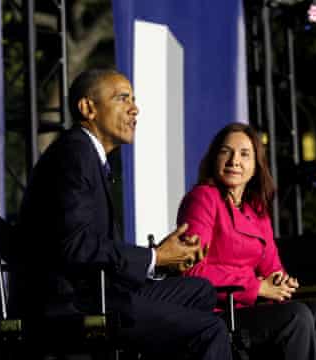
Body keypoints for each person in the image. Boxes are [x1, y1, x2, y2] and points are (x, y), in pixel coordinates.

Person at [13, 68, 232, 360]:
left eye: (134, 99)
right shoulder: (74, 155)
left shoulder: (87, 155)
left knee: (200, 292)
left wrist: (161, 259)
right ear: (88, 108)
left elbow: (88, 245)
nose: (135, 108)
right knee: (210, 330)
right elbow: (74, 247)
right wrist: (155, 257)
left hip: (97, 291)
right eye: (122, 98)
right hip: (72, 302)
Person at [177, 123, 316, 360]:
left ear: (255, 167)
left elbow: (273, 269)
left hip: (251, 309)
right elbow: (191, 270)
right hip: (218, 314)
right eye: (226, 152)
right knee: (297, 316)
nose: (234, 161)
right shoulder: (203, 198)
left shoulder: (257, 210)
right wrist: (257, 287)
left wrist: (281, 283)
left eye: (244, 154)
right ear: (214, 159)